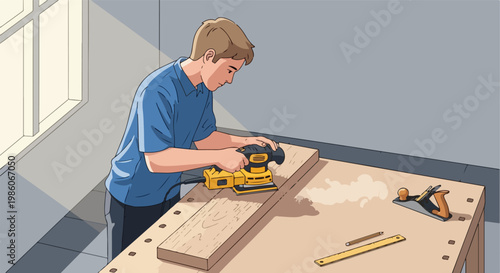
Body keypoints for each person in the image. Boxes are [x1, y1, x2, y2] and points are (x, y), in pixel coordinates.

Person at [104, 17, 278, 263]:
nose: (229, 80)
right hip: (133, 198)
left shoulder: (203, 87)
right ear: (209, 56)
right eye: (229, 70)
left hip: (169, 189)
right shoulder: (158, 90)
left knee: (160, 264)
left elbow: (204, 138)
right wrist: (220, 157)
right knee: (128, 266)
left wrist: (243, 142)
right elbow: (157, 159)